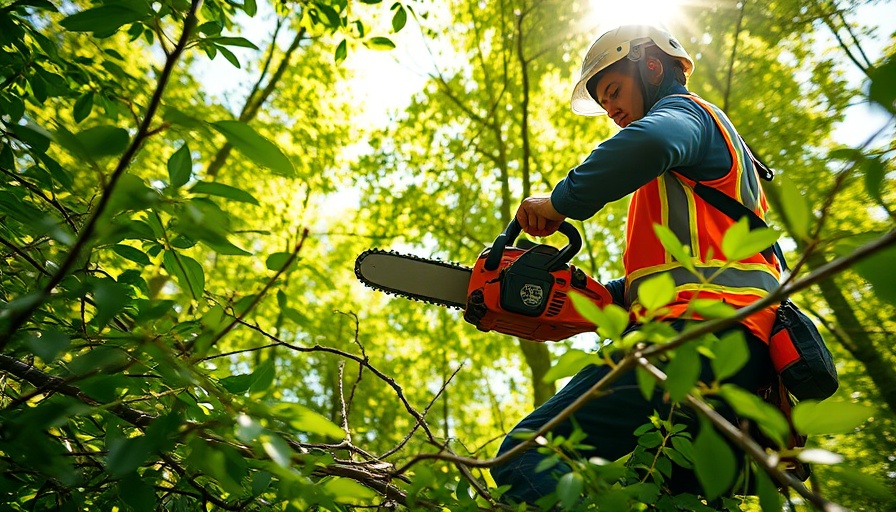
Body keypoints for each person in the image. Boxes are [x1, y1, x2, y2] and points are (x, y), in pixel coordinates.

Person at [490, 25, 781, 503]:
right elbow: (681, 269)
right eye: (604, 103)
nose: (611, 110)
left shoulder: (684, 115)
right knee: (657, 495)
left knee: (525, 455)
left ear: (651, 66)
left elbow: (650, 142)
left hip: (693, 338)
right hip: (742, 352)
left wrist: (561, 202)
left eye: (614, 91)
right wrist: (594, 298)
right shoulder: (693, 171)